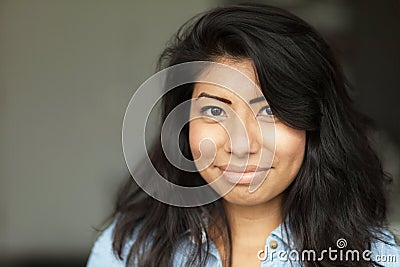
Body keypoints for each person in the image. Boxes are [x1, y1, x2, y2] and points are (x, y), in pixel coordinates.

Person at [87, 3, 400, 267]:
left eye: (270, 111)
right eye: (215, 112)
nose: (241, 144)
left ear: (315, 123)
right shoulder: (128, 250)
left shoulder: (375, 257)